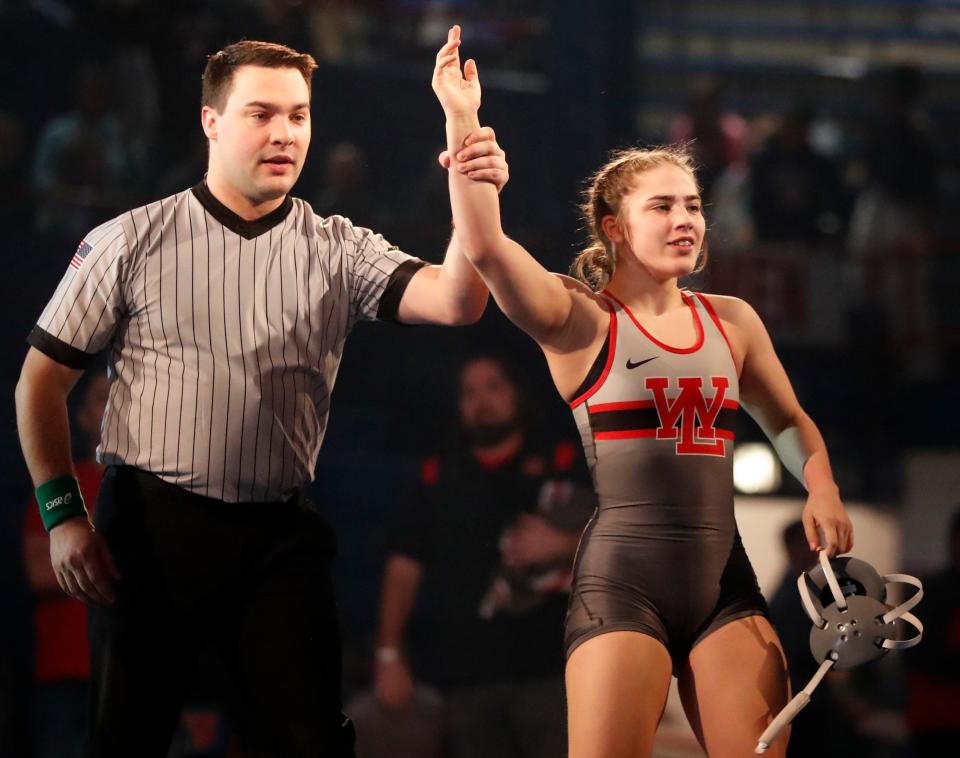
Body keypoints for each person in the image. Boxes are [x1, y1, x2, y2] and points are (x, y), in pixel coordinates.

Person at [15, 39, 510, 758]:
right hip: (150, 532)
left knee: (311, 743)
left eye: (299, 116)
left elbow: (460, 301)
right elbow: (40, 380)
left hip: (277, 539)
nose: (285, 133)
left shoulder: (337, 247)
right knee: (126, 741)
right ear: (212, 121)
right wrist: (62, 516)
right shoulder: (132, 238)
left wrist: (467, 155)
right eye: (262, 114)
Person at [431, 25, 855, 758]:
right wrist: (462, 121)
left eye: (691, 205)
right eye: (661, 207)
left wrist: (821, 486)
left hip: (726, 584)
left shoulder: (734, 322)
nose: (685, 219)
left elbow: (789, 422)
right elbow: (488, 249)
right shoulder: (581, 320)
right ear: (615, 228)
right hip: (622, 588)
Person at [372, 354, 595, 758]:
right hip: (465, 675)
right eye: (469, 392)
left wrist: (564, 543)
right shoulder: (438, 475)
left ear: (517, 394)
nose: (482, 400)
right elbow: (404, 564)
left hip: (555, 671)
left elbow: (625, 537)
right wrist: (389, 653)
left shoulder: (564, 460)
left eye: (493, 386)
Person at [22, 372, 109, 758]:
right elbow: (39, 570)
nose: (110, 408)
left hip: (135, 670)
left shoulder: (157, 489)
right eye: (99, 400)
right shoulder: (58, 482)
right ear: (82, 417)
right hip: (66, 674)